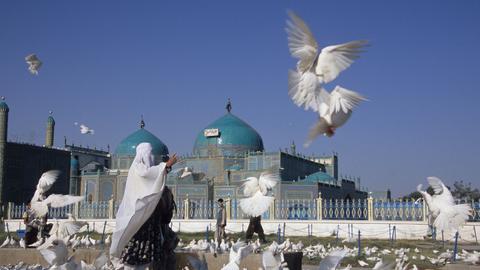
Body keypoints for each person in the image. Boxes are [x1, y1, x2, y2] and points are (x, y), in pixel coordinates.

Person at [110, 142, 178, 270]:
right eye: (149, 154)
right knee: (134, 254)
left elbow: (154, 178)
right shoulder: (137, 168)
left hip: (150, 224)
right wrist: (167, 165)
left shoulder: (144, 171)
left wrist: (166, 168)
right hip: (139, 220)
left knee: (147, 257)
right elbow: (149, 176)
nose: (150, 157)